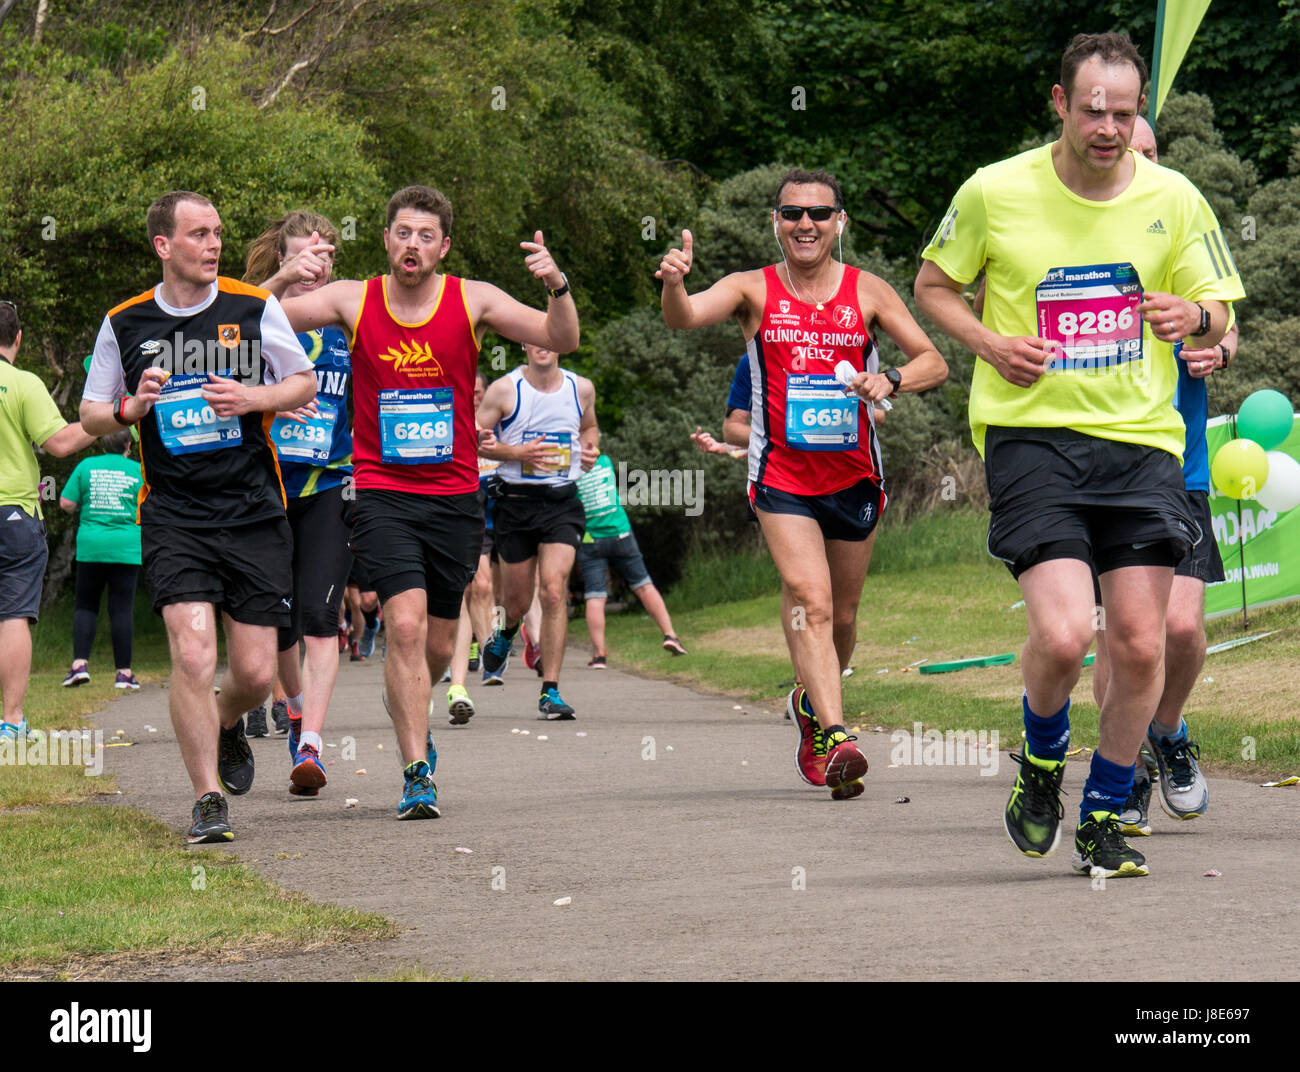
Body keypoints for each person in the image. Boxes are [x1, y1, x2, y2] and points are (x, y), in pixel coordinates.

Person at [915, 32, 1243, 877]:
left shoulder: (1175, 197)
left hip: (1141, 444)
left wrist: (1191, 320)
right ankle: (1040, 760)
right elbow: (933, 286)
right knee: (1063, 638)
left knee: (1141, 645)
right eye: (1092, 109)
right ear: (1060, 102)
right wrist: (990, 343)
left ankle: (1101, 813)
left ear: (1138, 115)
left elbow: (1218, 311)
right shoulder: (995, 190)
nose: (1107, 127)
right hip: (1034, 439)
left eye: (1123, 113)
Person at [271, 185, 578, 819]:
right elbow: (255, 320)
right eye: (403, 233)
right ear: (386, 239)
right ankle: (415, 773)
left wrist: (557, 284)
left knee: (440, 647)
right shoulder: (354, 299)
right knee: (403, 627)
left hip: (456, 497)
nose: (413, 244)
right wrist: (282, 276)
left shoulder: (475, 299)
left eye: (426, 235)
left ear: (443, 247)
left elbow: (562, 337)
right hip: (383, 492)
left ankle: (422, 719)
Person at [659, 167, 948, 801]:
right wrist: (675, 286)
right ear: (776, 222)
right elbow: (683, 319)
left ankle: (810, 704)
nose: (805, 224)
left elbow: (935, 360)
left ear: (839, 222)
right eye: (792, 214)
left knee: (842, 616)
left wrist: (890, 380)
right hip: (782, 476)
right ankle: (838, 735)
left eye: (819, 214)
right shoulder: (751, 289)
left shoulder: (867, 291)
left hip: (853, 476)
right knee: (808, 596)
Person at [80, 191, 317, 844]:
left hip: (251, 511)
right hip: (174, 517)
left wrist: (255, 396)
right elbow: (91, 413)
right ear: (164, 246)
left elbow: (303, 381)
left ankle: (223, 719)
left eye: (218, 233)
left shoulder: (252, 306)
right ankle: (208, 798)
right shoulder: (125, 323)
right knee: (191, 651)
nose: (214, 244)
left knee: (252, 671)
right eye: (199, 234)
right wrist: (130, 409)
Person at [1090, 118, 1230, 834]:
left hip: (1182, 464)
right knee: (1123, 635)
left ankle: (1167, 730)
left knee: (1180, 627)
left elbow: (1224, 319)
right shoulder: (1078, 229)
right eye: (1127, 150)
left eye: (1148, 150)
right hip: (1104, 464)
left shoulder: (1178, 217)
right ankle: (1124, 775)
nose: (1136, 159)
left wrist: (1218, 348)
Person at [242, 211, 355, 794]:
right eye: (302, 256)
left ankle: (311, 742)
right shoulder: (260, 318)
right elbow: (217, 331)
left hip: (328, 487)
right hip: (264, 488)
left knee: (320, 618)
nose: (316, 266)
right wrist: (273, 401)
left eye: (325, 257)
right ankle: (291, 708)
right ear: (282, 258)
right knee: (274, 620)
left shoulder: (348, 323)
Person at [475, 343, 598, 719]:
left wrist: (590, 446)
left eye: (552, 338)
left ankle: (551, 689)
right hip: (515, 503)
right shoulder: (504, 390)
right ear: (525, 344)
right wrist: (517, 454)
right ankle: (508, 632)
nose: (544, 345)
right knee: (516, 601)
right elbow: (474, 438)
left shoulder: (580, 389)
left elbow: (589, 425)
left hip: (562, 502)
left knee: (554, 590)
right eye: (536, 338)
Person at [0, 301, 96, 741]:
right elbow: (59, 443)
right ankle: (12, 721)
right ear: (17, 338)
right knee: (13, 615)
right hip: (14, 514)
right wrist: (113, 415)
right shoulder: (22, 383)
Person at [576, 452, 687, 667]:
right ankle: (670, 635)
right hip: (620, 533)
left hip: (590, 539)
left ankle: (599, 655)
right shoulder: (604, 461)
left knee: (595, 597)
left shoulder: (570, 472)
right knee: (644, 585)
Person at [59, 428, 143, 690]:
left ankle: (79, 666)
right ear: (128, 445)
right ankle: (124, 674)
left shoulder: (87, 466)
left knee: (86, 605)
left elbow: (65, 503)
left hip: (91, 546)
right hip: (126, 547)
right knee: (121, 609)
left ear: (103, 443)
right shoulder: (139, 471)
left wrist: (86, 505)